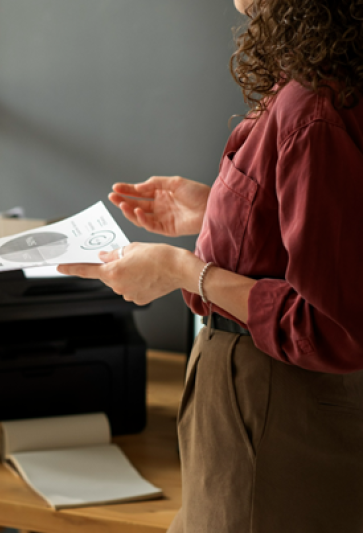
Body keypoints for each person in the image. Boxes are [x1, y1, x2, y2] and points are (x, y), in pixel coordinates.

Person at [58, 0, 363, 531]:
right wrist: (219, 210)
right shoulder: (323, 78)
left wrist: (181, 270)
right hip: (262, 412)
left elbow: (332, 327)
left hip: (274, 416)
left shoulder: (313, 105)